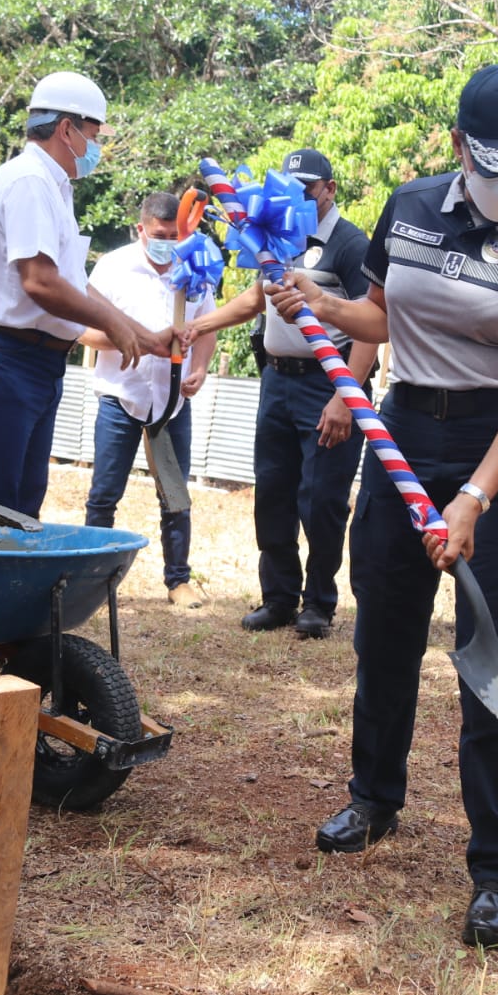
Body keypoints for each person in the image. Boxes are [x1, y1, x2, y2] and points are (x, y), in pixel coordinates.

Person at [270, 65, 498, 950]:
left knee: (495, 664)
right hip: (404, 435)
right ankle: (373, 798)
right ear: (457, 146)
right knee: (383, 636)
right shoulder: (409, 207)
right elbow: (382, 317)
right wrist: (321, 304)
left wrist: (474, 499)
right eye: (490, 165)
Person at [0, 71, 174, 518]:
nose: (97, 147)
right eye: (95, 134)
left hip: (31, 360)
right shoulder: (29, 182)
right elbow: (40, 282)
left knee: (22, 504)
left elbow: (74, 284)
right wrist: (112, 324)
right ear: (67, 129)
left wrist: (144, 336)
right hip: (2, 356)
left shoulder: (54, 188)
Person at [185, 148, 378, 638]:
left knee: (321, 499)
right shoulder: (277, 235)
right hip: (277, 381)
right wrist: (198, 326)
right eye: (291, 190)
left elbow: (372, 327)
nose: (298, 198)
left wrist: (346, 397)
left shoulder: (351, 244)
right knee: (273, 491)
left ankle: (318, 604)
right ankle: (278, 598)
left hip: (328, 385)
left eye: (307, 189)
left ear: (329, 189)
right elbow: (256, 299)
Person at [80, 193, 218, 608]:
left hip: (173, 401)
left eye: (175, 236)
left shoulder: (194, 267)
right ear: (141, 229)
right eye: (160, 236)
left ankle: (179, 581)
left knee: (175, 495)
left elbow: (207, 327)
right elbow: (83, 331)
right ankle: (92, 579)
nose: (167, 243)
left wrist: (200, 368)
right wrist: (135, 341)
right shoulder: (112, 268)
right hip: (121, 396)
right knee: (104, 495)